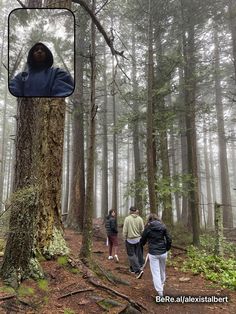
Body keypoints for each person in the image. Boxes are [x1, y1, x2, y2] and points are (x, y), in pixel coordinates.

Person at [9, 42, 74, 97]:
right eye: (36, 50)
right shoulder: (21, 76)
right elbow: (13, 89)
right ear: (32, 55)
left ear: (47, 54)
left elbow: (63, 91)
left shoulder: (57, 73)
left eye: (42, 50)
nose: (39, 51)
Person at [140, 213, 172, 297]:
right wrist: (167, 248)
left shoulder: (148, 227)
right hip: (163, 252)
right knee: (162, 270)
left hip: (153, 253)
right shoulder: (163, 226)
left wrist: (142, 244)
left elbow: (143, 239)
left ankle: (160, 292)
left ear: (149, 219)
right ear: (157, 219)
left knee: (156, 273)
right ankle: (162, 285)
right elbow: (169, 238)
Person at [123, 206, 144, 279]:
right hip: (138, 239)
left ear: (130, 211)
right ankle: (132, 269)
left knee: (131, 255)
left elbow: (125, 230)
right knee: (136, 254)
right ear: (135, 211)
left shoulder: (127, 219)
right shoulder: (140, 219)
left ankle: (138, 270)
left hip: (130, 240)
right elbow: (142, 230)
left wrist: (124, 237)